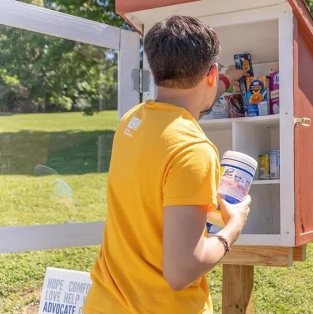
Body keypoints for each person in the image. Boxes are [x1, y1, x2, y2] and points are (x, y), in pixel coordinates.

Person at [83, 15, 251, 314]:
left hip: (104, 303)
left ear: (155, 68)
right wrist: (234, 228)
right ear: (210, 74)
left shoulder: (132, 121)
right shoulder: (194, 151)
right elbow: (182, 271)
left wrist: (225, 79)